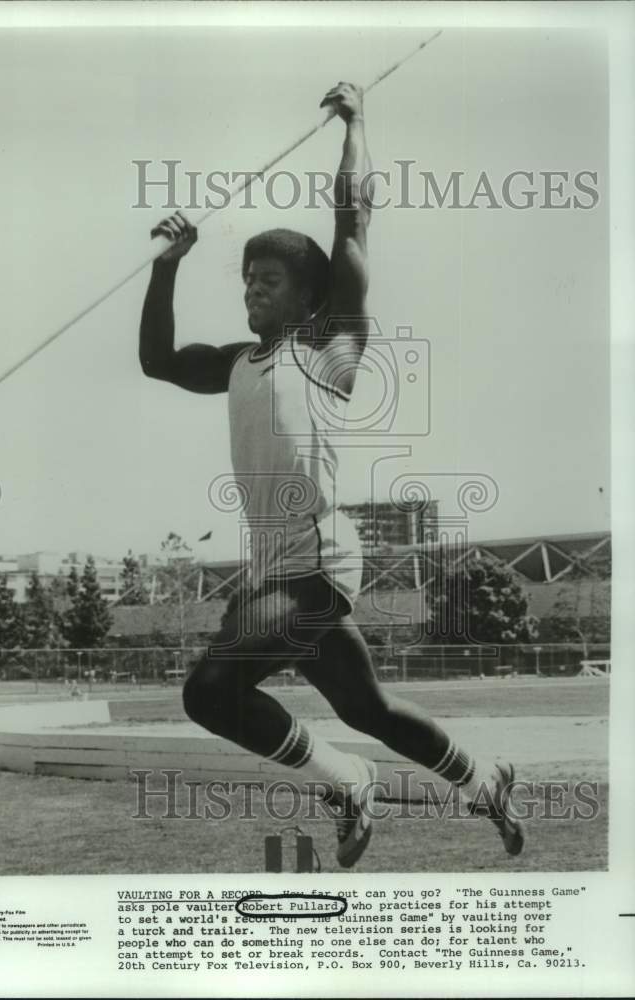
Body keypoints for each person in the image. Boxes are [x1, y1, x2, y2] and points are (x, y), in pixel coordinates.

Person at [139, 82, 523, 867]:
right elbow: (155, 360)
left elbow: (354, 219)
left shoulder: (328, 352)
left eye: (268, 277)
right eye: (245, 276)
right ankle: (486, 779)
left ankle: (347, 780)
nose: (251, 286)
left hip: (314, 562)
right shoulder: (236, 363)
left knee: (209, 693)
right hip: (271, 569)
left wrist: (356, 123)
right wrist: (168, 267)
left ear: (311, 296)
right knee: (368, 706)